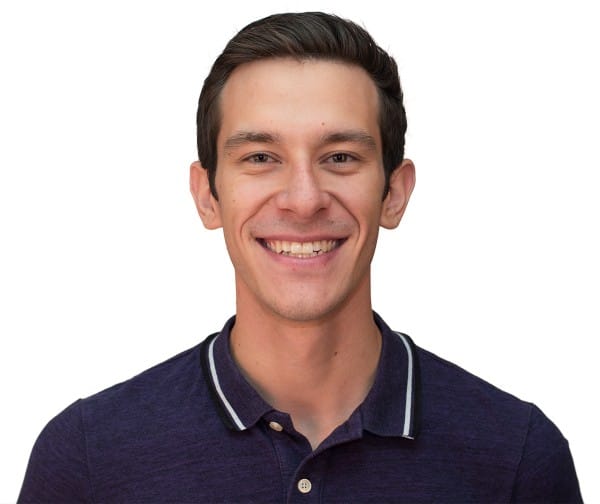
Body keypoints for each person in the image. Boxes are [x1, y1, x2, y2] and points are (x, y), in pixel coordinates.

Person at [18, 12, 582, 503]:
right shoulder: (88, 458)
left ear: (394, 193)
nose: (304, 199)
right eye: (261, 157)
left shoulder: (518, 458)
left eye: (340, 157)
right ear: (207, 196)